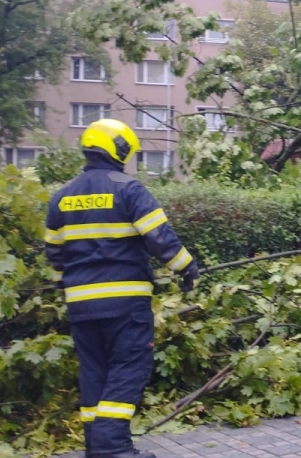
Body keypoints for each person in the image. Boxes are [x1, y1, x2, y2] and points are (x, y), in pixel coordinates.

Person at [44, 119, 199, 458]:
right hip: (125, 303)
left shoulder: (62, 197)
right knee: (129, 367)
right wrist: (187, 268)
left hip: (81, 306)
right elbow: (159, 238)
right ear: (119, 149)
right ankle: (112, 449)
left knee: (94, 372)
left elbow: (55, 254)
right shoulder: (129, 189)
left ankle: (97, 448)